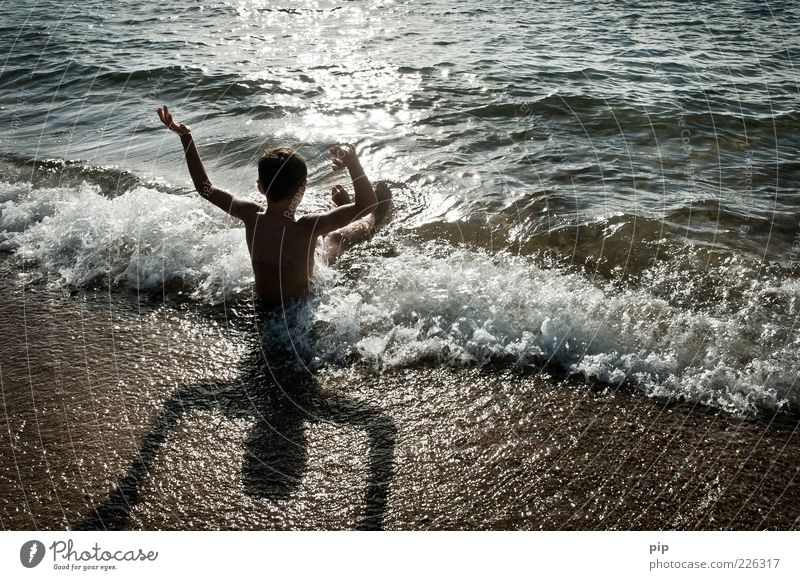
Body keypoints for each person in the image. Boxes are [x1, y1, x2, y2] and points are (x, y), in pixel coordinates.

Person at [156, 105, 391, 305]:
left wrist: (186, 137)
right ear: (303, 189)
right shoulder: (306, 227)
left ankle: (343, 210)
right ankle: (372, 217)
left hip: (266, 307)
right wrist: (353, 164)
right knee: (335, 239)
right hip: (300, 306)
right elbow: (367, 204)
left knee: (327, 238)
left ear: (260, 187)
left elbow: (204, 188)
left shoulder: (250, 214)